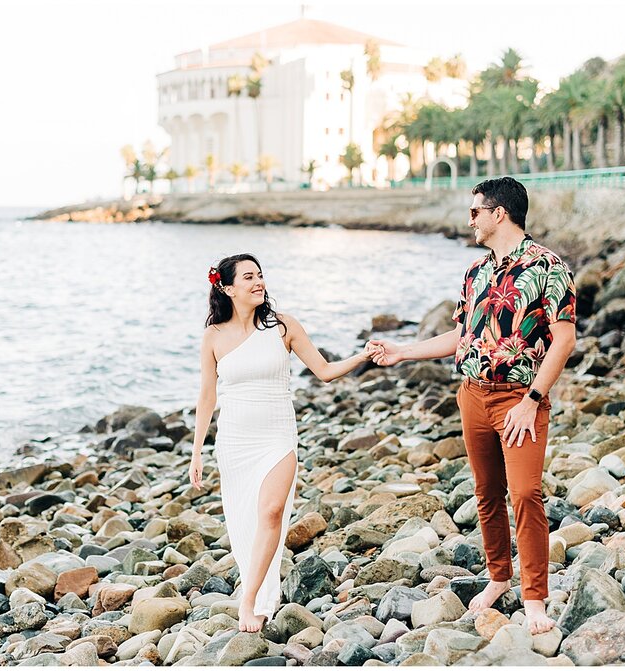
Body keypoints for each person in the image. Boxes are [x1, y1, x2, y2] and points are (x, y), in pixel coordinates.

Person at [370, 177, 577, 635]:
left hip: (519, 399)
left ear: (499, 213)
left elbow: (564, 339)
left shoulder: (548, 267)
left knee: (524, 494)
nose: (470, 219)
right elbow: (462, 337)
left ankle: (536, 598)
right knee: (486, 495)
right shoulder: (475, 273)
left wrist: (532, 400)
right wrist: (405, 351)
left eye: (476, 211)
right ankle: (499, 577)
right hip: (472, 395)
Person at [189, 253, 381, 632]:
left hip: (277, 435)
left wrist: (363, 355)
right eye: (248, 277)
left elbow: (324, 371)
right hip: (235, 440)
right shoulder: (213, 336)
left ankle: (248, 601)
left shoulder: (282, 326)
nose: (258, 282)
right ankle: (259, 590)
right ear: (227, 288)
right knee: (245, 519)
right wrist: (196, 453)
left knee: (272, 512)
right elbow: (207, 397)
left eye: (260, 275)